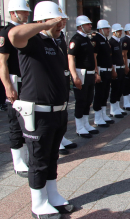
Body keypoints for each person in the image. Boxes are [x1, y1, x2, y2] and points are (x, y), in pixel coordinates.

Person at [9, 1, 75, 218]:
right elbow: (14, 35)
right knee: (38, 160)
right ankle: (38, 203)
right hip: (38, 113)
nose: (61, 25)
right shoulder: (32, 40)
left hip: (58, 111)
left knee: (52, 156)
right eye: (57, 21)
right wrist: (44, 24)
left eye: (62, 21)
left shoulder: (57, 42)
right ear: (43, 20)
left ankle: (52, 195)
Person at [0, 0, 31, 177]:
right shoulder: (6, 33)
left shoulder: (24, 31)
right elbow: (2, 63)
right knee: (15, 122)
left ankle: (26, 157)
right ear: (13, 13)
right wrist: (8, 87)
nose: (26, 15)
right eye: (23, 12)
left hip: (27, 82)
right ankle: (18, 162)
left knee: (28, 121)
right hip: (15, 82)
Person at [68, 15, 99, 138]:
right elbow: (71, 58)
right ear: (80, 26)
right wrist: (74, 76)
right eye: (88, 24)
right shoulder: (76, 39)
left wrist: (96, 72)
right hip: (81, 74)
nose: (90, 26)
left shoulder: (87, 39)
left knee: (88, 100)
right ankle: (79, 127)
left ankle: (86, 124)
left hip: (90, 74)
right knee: (80, 101)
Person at [56, 12, 78, 155]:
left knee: (63, 109)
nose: (63, 22)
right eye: (60, 20)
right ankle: (56, 141)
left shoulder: (61, 36)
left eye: (64, 20)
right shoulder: (40, 38)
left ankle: (61, 137)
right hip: (53, 79)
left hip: (62, 77)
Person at [91, 20, 115, 127]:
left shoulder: (105, 40)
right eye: (106, 28)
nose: (108, 30)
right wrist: (96, 72)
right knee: (99, 94)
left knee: (105, 93)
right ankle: (97, 117)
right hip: (101, 70)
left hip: (108, 70)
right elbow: (94, 57)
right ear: (100, 29)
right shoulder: (96, 40)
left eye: (108, 28)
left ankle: (103, 114)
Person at [109, 24, 126, 118]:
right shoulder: (111, 42)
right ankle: (112, 109)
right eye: (119, 31)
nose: (121, 32)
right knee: (115, 89)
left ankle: (117, 106)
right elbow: (110, 58)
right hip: (115, 68)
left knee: (120, 88)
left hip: (121, 67)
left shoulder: (118, 42)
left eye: (121, 31)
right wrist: (113, 70)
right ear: (114, 32)